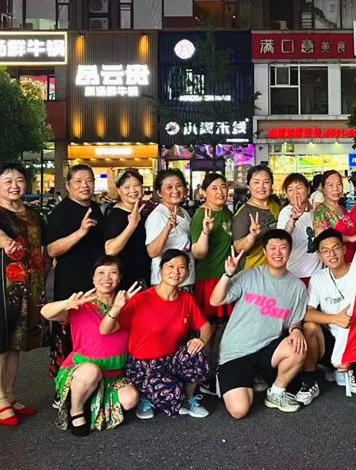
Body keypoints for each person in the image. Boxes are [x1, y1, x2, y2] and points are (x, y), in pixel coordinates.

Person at [99, 249, 212, 420]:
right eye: (170, 266)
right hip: (143, 366)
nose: (176, 272)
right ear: (160, 270)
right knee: (173, 392)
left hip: (170, 360)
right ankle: (146, 396)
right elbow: (105, 329)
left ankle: (187, 399)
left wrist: (201, 339)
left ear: (187, 272)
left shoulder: (186, 298)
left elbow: (206, 326)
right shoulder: (141, 299)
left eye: (182, 267)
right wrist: (116, 308)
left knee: (196, 354)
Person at [211, 230, 309, 418]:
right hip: (236, 352)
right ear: (264, 251)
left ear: (290, 251)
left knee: (298, 346)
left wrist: (296, 330)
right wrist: (227, 274)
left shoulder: (298, 287)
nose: (278, 253)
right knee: (239, 410)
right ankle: (227, 378)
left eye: (283, 248)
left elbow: (295, 320)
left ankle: (276, 393)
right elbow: (216, 300)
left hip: (267, 350)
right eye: (272, 248)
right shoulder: (249, 275)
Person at [41, 256, 140, 435]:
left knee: (130, 400)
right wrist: (67, 304)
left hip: (114, 373)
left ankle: (89, 398)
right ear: (93, 278)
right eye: (101, 273)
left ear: (119, 278)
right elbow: (46, 312)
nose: (106, 277)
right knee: (91, 372)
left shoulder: (125, 304)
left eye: (113, 272)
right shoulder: (82, 303)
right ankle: (76, 409)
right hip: (83, 368)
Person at [302, 229, 356, 396]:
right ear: (319, 256)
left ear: (344, 249)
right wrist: (335, 319)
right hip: (333, 341)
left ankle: (351, 369)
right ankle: (309, 381)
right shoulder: (318, 278)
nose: (332, 254)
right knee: (310, 327)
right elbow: (307, 313)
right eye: (325, 251)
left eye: (336, 248)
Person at [46, 164, 105, 378]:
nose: (84, 185)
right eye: (78, 181)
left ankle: (89, 382)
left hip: (95, 282)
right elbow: (52, 249)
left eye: (89, 180)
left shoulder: (95, 208)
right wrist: (80, 232)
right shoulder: (60, 212)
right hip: (70, 282)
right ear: (68, 185)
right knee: (68, 333)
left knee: (92, 333)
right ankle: (64, 384)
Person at [0, 163, 46, 425]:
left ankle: (10, 394)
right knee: (1, 342)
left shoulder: (33, 214)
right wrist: (5, 242)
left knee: (16, 343)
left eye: (19, 180)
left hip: (29, 286)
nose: (14, 185)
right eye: (8, 181)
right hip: (3, 286)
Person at [191, 172, 234, 385]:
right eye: (214, 188)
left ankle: (217, 371)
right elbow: (198, 253)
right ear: (203, 192)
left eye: (223, 186)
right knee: (208, 328)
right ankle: (204, 375)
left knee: (224, 328)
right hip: (208, 279)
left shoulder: (227, 212)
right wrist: (205, 233)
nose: (220, 191)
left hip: (226, 278)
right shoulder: (201, 215)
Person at [145, 169, 195, 289]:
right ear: (159, 192)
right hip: (167, 283)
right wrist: (167, 228)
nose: (175, 191)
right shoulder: (158, 216)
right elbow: (152, 252)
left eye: (179, 186)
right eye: (169, 187)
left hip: (185, 278)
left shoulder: (183, 211)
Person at [104, 169, 149, 290]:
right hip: (126, 279)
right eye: (127, 187)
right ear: (119, 190)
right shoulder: (116, 215)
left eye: (136, 185)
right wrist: (131, 225)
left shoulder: (139, 211)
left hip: (142, 275)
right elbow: (110, 250)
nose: (133, 190)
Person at [232, 164, 279, 271]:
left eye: (266, 182)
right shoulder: (243, 214)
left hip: (274, 270)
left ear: (272, 185)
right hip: (253, 271)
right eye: (256, 182)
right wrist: (252, 236)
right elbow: (238, 248)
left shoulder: (276, 207)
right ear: (248, 186)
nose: (261, 187)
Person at [276, 173, 322, 282]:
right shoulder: (286, 213)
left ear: (308, 189)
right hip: (296, 275)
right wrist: (293, 219)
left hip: (318, 275)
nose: (295, 192)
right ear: (287, 194)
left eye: (299, 187)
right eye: (290, 190)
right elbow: (281, 238)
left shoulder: (315, 213)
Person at [313, 170, 346, 236]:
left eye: (339, 184)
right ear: (323, 189)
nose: (336, 188)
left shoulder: (343, 208)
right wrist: (350, 238)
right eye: (330, 185)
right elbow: (323, 238)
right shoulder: (321, 212)